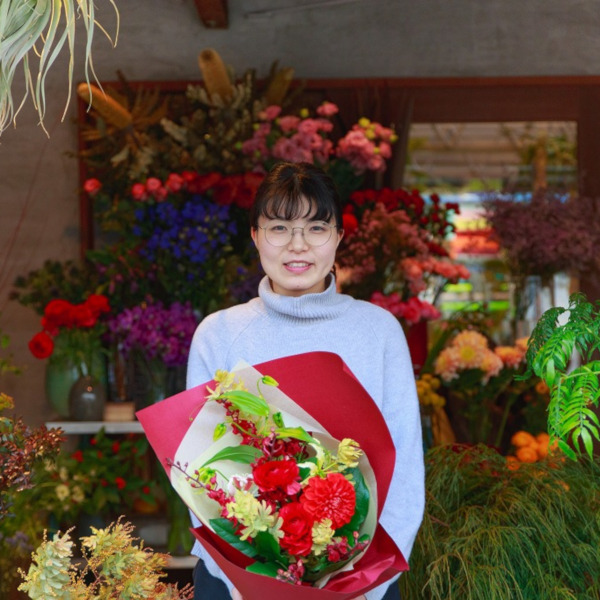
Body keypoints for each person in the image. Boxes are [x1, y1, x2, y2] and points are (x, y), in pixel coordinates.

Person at [186, 161, 425, 600]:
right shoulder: (217, 334)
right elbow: (198, 472)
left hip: (361, 581)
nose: (298, 246)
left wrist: (368, 583)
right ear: (256, 236)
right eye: (279, 228)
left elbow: (405, 464)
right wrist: (245, 581)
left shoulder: (378, 331)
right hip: (234, 581)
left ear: (338, 237)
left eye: (316, 228)